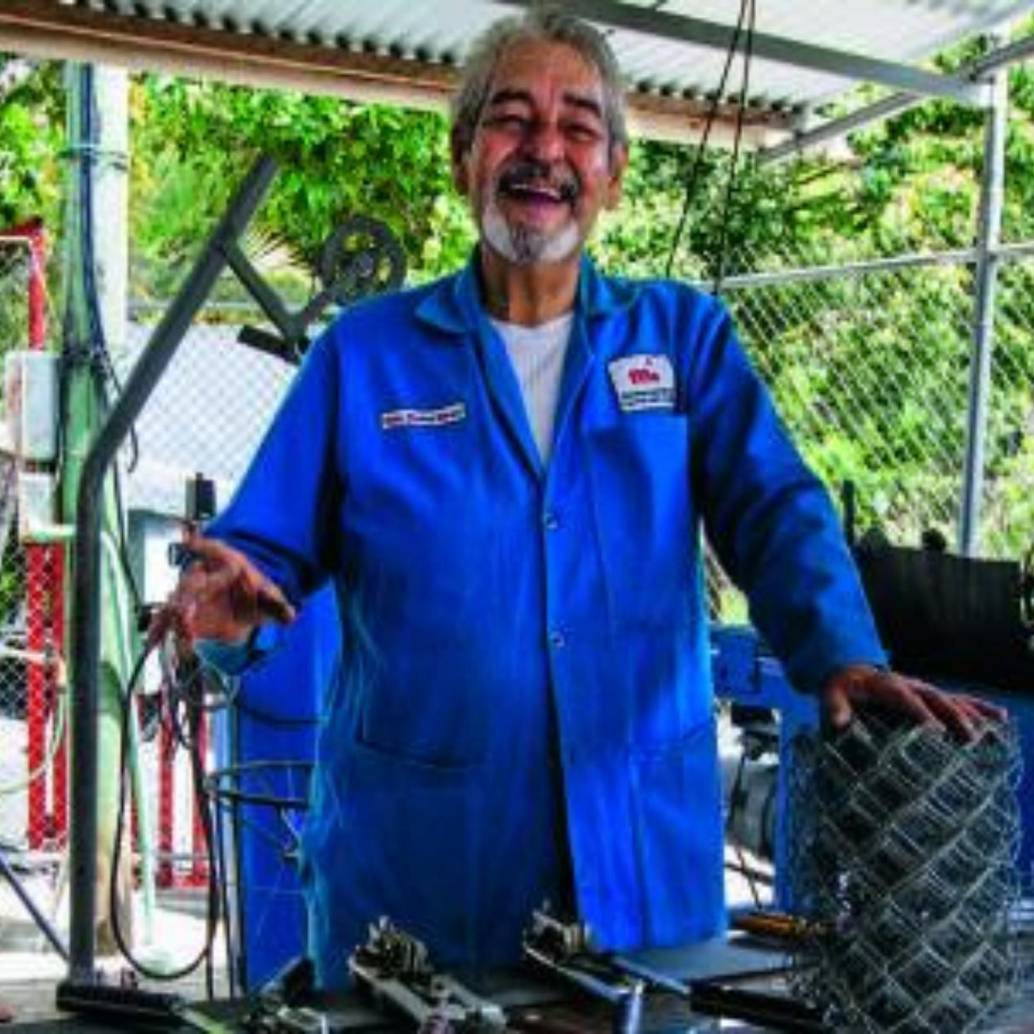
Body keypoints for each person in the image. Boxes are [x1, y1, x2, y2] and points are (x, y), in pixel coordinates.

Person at [154, 8, 1002, 987]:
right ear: (462, 154)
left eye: (577, 128)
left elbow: (774, 507)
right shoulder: (366, 355)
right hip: (416, 880)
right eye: (511, 120)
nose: (542, 150)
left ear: (613, 171)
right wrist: (221, 616)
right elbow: (255, 559)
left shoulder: (680, 340)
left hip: (638, 878)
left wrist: (839, 652)